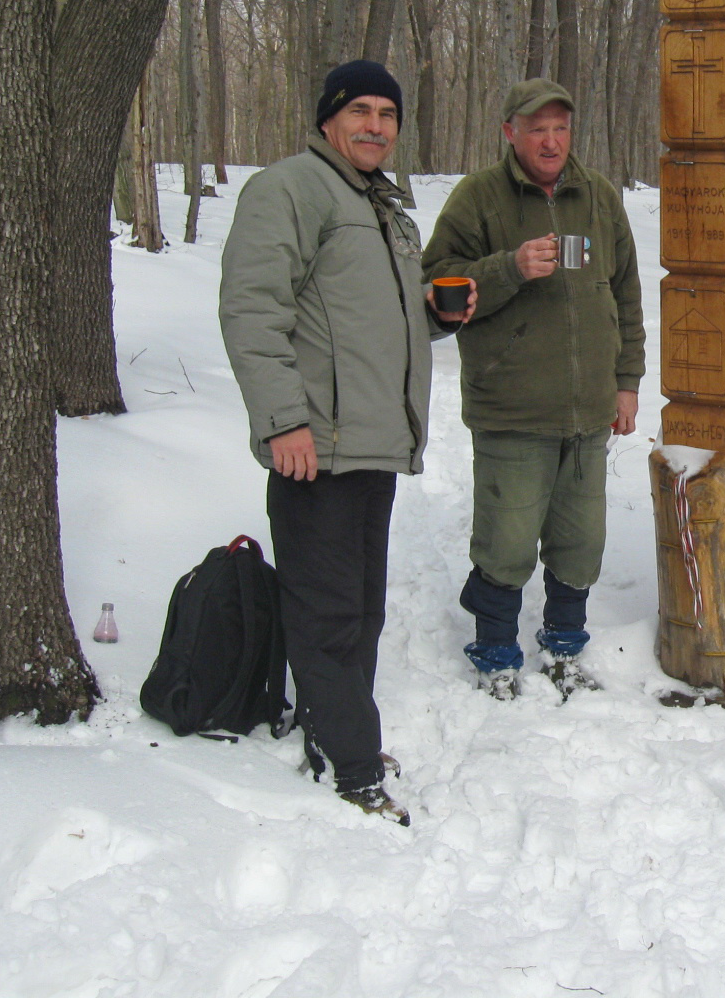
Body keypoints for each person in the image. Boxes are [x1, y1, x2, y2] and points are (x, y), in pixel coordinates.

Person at [220, 59, 473, 824]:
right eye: (359, 110)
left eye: (387, 114)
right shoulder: (290, 189)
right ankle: (354, 768)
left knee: (360, 609)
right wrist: (281, 420)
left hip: (372, 440)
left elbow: (364, 315)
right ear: (329, 119)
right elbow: (251, 311)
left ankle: (336, 734)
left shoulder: (380, 204)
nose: (375, 125)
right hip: (317, 444)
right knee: (328, 612)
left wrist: (434, 315)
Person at [421, 79, 645, 700]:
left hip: (589, 407)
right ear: (510, 132)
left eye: (560, 128)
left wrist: (626, 382)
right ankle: (495, 647)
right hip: (512, 406)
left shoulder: (598, 196)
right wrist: (508, 270)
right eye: (536, 127)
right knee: (508, 538)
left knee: (581, 540)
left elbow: (624, 292)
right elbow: (436, 283)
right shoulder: (477, 199)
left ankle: (565, 644)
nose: (550, 140)